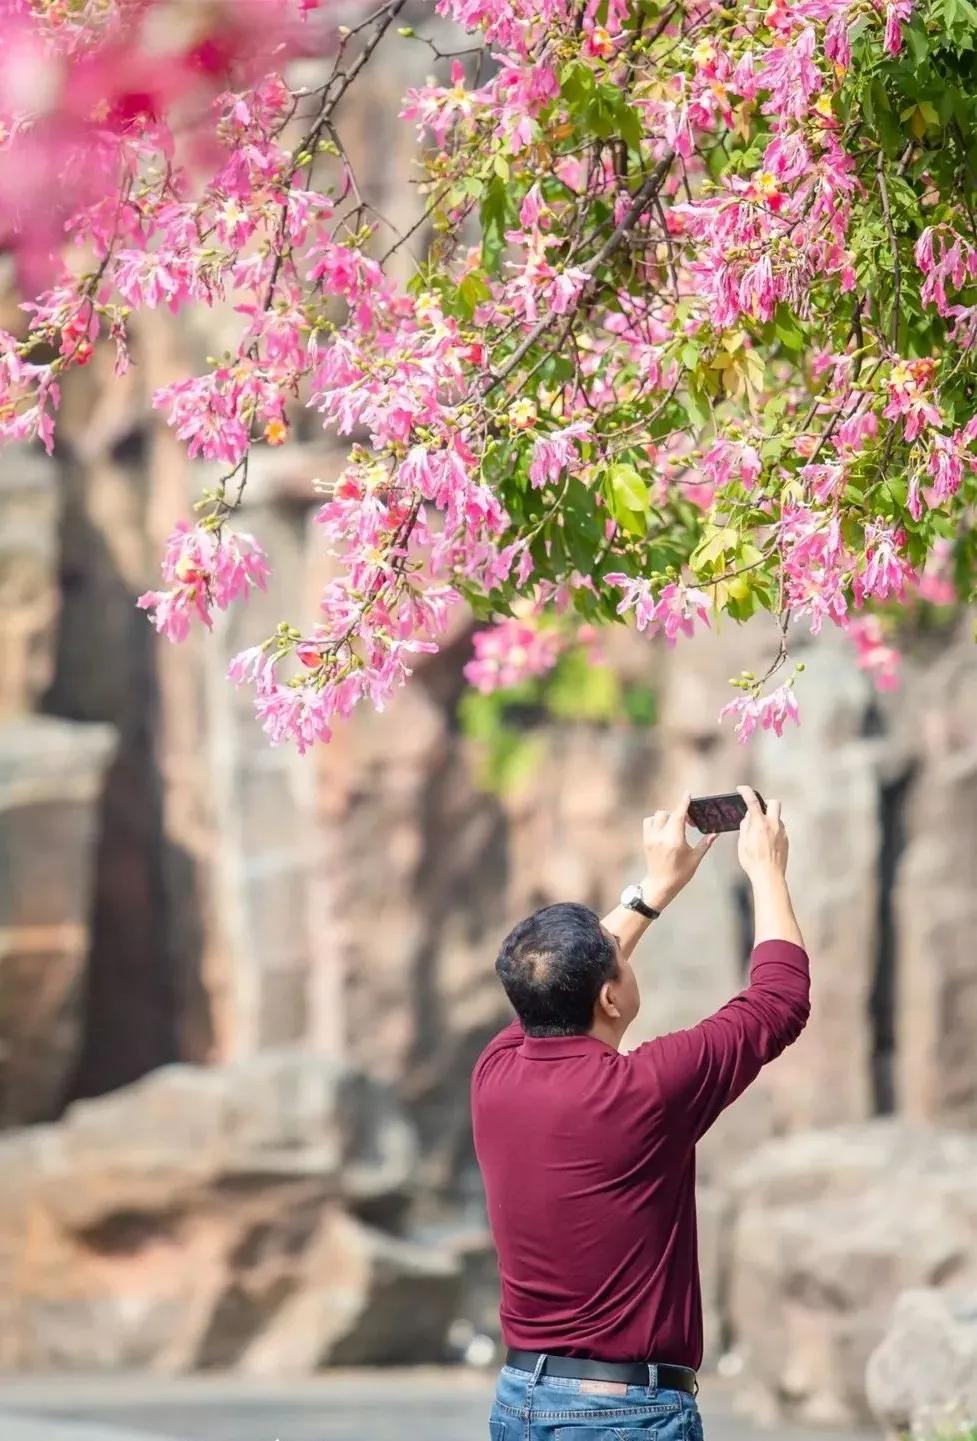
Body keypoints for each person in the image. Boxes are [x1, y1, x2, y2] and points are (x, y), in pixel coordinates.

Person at [472, 787, 809, 1441]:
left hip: (519, 1402)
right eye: (620, 961)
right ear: (609, 995)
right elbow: (780, 999)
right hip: (623, 1415)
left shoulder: (496, 1073)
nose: (626, 962)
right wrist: (767, 869)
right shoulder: (642, 1092)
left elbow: (547, 983)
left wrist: (653, 890)